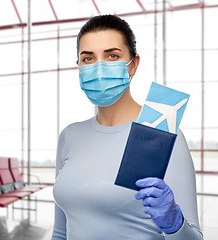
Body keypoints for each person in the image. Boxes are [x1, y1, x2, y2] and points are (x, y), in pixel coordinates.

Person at [51, 15, 203, 240]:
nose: (99, 68)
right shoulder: (70, 135)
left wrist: (175, 225)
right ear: (79, 67)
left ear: (133, 65)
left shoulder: (161, 133)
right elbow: (60, 231)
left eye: (112, 56)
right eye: (88, 58)